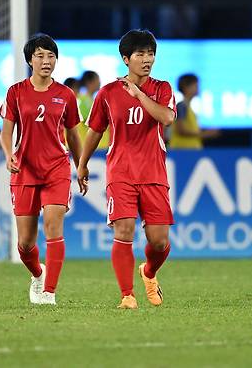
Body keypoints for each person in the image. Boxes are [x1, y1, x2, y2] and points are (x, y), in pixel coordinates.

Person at [77, 29, 176, 309]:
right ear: (126, 58)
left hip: (153, 172)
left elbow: (167, 118)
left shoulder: (163, 88)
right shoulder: (107, 93)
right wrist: (82, 164)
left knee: (159, 242)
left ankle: (149, 272)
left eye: (151, 53)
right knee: (124, 230)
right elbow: (95, 131)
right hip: (120, 172)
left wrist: (139, 94)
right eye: (140, 54)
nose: (147, 59)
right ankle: (127, 296)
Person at [0, 33, 83, 305]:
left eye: (51, 56)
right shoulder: (16, 92)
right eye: (40, 55)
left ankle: (49, 292)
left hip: (57, 169)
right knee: (24, 244)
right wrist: (9, 154)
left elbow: (73, 135)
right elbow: (6, 132)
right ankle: (38, 274)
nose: (46, 61)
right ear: (29, 60)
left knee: (54, 227)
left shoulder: (66, 95)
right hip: (24, 170)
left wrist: (81, 166)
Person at [168, 73, 219, 149]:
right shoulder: (181, 106)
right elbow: (181, 130)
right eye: (196, 86)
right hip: (182, 151)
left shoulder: (188, 107)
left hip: (190, 150)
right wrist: (205, 134)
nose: (198, 88)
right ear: (186, 88)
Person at [77, 71, 109, 149]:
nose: (99, 82)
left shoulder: (91, 100)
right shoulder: (83, 100)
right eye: (97, 79)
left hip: (100, 146)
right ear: (90, 82)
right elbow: (88, 119)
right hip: (92, 147)